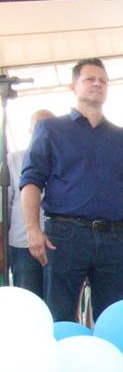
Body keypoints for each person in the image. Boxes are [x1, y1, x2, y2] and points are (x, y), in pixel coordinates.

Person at [20, 58, 123, 322]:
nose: (98, 84)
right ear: (73, 86)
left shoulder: (122, 136)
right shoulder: (50, 129)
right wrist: (33, 229)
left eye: (103, 80)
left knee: (111, 317)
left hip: (113, 236)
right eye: (90, 79)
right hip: (65, 235)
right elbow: (31, 181)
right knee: (60, 314)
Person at [6, 110, 54, 298]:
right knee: (27, 300)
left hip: (59, 245)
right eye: (38, 127)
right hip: (23, 244)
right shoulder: (14, 159)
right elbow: (4, 208)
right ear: (30, 130)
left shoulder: (66, 161)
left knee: (57, 305)